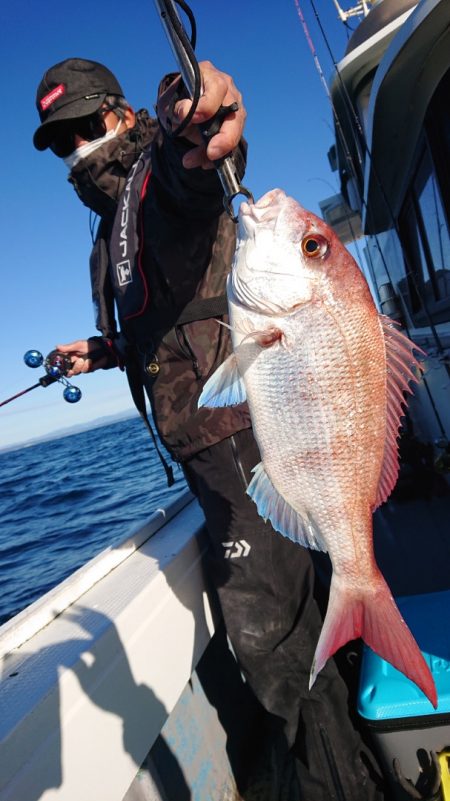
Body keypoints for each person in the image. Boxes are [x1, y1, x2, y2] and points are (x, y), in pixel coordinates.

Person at [33, 57, 385, 800]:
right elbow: (160, 329)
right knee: (294, 633)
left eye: (86, 128)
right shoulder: (111, 236)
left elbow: (194, 165)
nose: (77, 150)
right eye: (61, 142)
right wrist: (99, 351)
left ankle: (340, 787)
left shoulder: (155, 183)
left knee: (283, 653)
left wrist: (195, 117)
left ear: (123, 116)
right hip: (217, 459)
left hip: (241, 447)